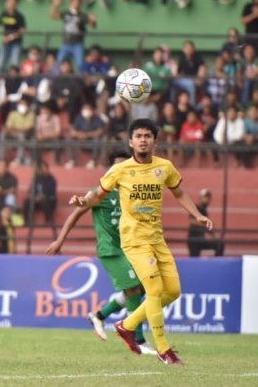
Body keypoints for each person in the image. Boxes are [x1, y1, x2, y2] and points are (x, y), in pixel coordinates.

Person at [69, 119, 213, 365]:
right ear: (131, 141)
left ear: (155, 141)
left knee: (173, 292)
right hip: (134, 240)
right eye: (139, 135)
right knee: (154, 290)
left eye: (148, 135)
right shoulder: (120, 170)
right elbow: (98, 194)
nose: (143, 139)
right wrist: (84, 201)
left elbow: (178, 192)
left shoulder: (165, 167)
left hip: (157, 238)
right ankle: (164, 349)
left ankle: (127, 325)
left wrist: (197, 214)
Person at [46, 150, 155, 355]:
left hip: (129, 248)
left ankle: (99, 316)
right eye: (117, 167)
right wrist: (60, 240)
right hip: (110, 250)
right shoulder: (101, 193)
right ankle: (138, 340)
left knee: (140, 288)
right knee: (133, 288)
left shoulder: (133, 193)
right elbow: (78, 211)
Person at [187, 189, 224, 256]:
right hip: (194, 240)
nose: (207, 199)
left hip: (201, 239)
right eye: (205, 197)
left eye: (208, 198)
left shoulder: (204, 210)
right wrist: (205, 223)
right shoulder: (196, 207)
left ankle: (217, 264)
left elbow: (206, 226)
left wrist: (212, 233)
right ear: (200, 197)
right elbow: (192, 220)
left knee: (219, 244)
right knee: (194, 260)